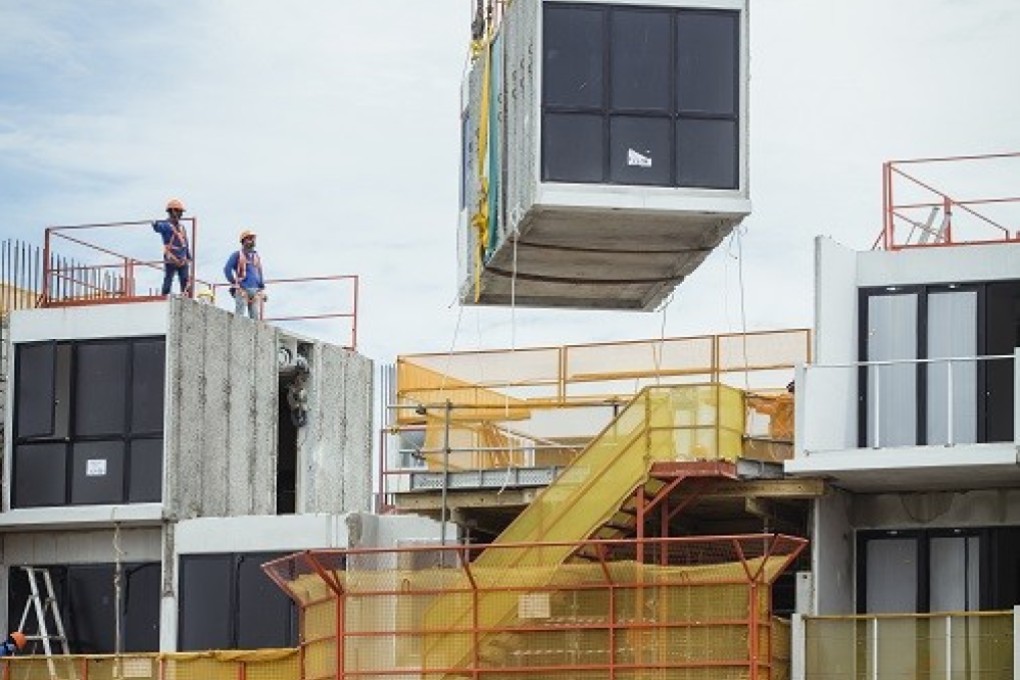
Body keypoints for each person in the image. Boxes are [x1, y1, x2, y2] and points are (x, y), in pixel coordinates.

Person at [152, 198, 192, 296]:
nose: (181, 214)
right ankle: (164, 297)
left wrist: (188, 256)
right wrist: (155, 224)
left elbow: (185, 243)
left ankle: (185, 297)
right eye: (180, 212)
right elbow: (158, 228)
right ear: (173, 211)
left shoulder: (182, 227)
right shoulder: (166, 225)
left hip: (182, 258)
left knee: (185, 280)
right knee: (168, 278)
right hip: (171, 258)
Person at [224, 230, 265, 319]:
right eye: (250, 238)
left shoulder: (256, 256)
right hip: (242, 290)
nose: (252, 241)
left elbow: (259, 271)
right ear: (243, 241)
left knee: (255, 318)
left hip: (255, 291)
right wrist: (235, 283)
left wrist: (261, 287)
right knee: (239, 315)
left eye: (253, 239)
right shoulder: (237, 255)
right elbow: (227, 270)